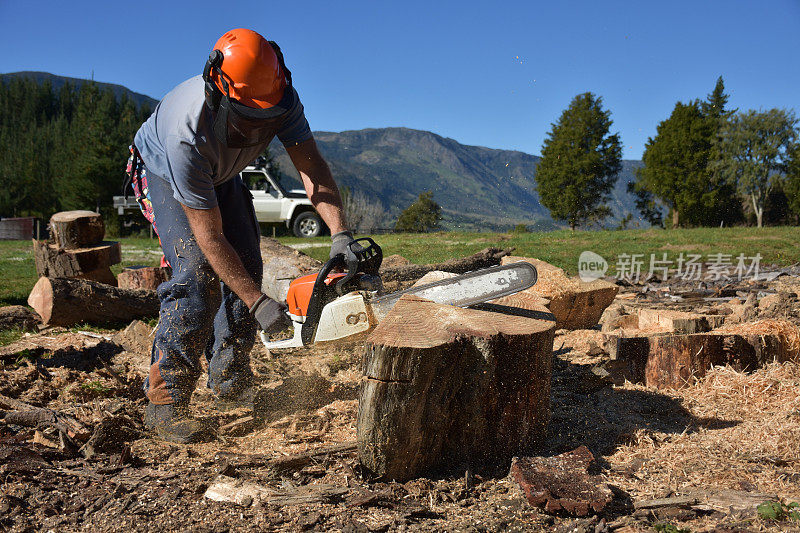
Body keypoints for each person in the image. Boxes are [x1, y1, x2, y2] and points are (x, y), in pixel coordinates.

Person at [128, 28, 359, 443]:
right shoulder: (187, 134)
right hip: (168, 173)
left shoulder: (279, 97)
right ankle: (165, 401)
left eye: (266, 120)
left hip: (224, 173)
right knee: (198, 276)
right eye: (250, 119)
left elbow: (314, 171)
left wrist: (341, 234)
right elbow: (211, 239)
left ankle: (230, 377)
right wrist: (257, 304)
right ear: (219, 94)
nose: (259, 130)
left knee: (249, 265)